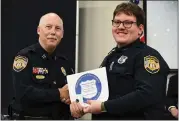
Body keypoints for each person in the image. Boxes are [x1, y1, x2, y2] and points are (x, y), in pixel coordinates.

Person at [70, 2, 170, 120]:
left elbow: (146, 95)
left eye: (127, 23)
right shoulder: (111, 56)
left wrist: (103, 106)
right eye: (117, 22)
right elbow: (102, 91)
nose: (121, 27)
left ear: (140, 29)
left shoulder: (148, 56)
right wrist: (81, 105)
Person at [9, 13, 74, 120]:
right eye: (48, 27)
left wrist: (71, 99)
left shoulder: (64, 62)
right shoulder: (25, 57)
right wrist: (58, 94)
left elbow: (70, 93)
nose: (53, 32)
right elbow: (23, 93)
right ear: (39, 30)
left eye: (58, 28)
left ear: (62, 34)